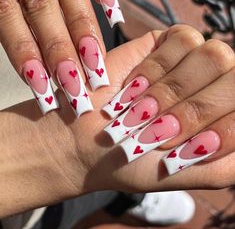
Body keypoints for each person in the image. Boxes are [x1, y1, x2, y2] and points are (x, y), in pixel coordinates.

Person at [0, 25, 235, 228]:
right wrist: (60, 149)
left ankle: (127, 192)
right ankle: (128, 196)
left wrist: (64, 138)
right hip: (23, 207)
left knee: (104, 41)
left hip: (42, 86)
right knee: (96, 185)